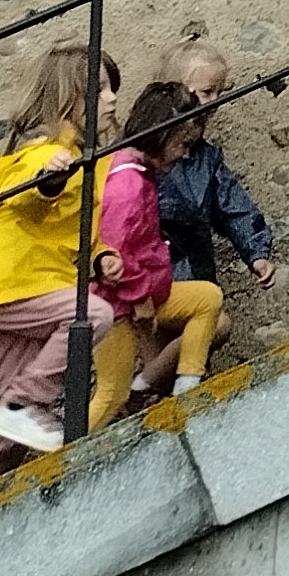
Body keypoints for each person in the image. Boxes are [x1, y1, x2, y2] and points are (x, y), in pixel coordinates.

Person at [0, 45, 134, 492]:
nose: (111, 99)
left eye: (113, 88)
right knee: (93, 315)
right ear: (65, 99)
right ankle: (23, 407)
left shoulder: (91, 161)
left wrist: (99, 257)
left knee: (12, 422)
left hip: (18, 285)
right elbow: (24, 193)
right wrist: (49, 179)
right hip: (12, 280)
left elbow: (74, 231)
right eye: (99, 90)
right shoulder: (44, 151)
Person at [94, 82, 225, 403]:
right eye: (182, 143)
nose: (185, 153)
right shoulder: (127, 185)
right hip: (120, 302)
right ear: (162, 135)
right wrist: (139, 296)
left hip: (144, 291)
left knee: (207, 298)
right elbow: (116, 249)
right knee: (110, 394)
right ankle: (74, 450)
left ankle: (185, 381)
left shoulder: (136, 172)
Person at [152, 42, 279, 305]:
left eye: (219, 92)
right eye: (207, 92)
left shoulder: (206, 159)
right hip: (154, 275)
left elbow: (234, 206)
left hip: (197, 273)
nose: (215, 101)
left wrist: (256, 253)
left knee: (207, 330)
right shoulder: (144, 154)